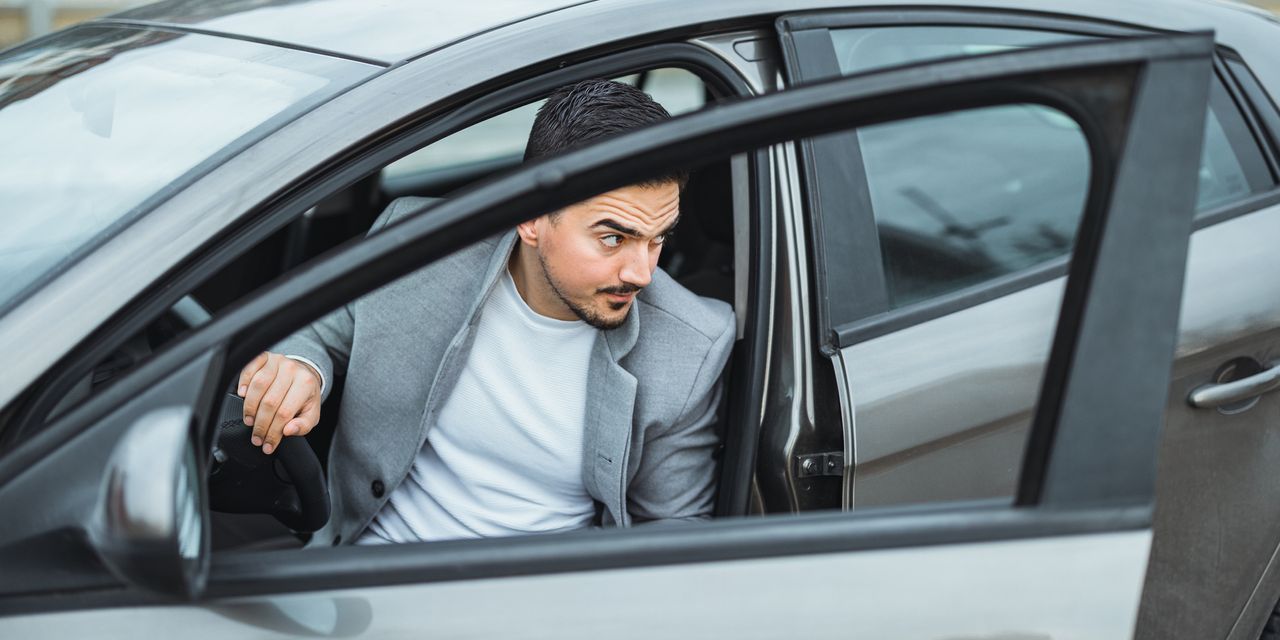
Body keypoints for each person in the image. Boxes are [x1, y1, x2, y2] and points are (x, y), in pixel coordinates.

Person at [235, 78, 735, 545]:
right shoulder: (419, 247)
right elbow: (314, 333)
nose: (641, 273)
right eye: (612, 238)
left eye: (658, 239)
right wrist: (300, 369)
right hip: (365, 560)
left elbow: (674, 534)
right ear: (531, 216)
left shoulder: (690, 348)